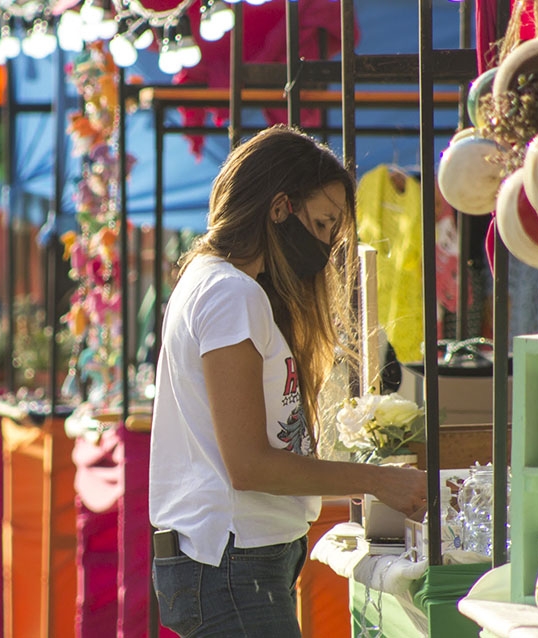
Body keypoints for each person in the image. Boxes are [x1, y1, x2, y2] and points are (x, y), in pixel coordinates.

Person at [148, 125, 428, 637]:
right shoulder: (231, 293)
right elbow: (249, 465)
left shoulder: (221, 284)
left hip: (236, 565)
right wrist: (377, 480)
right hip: (233, 567)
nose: (325, 245)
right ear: (279, 208)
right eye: (321, 224)